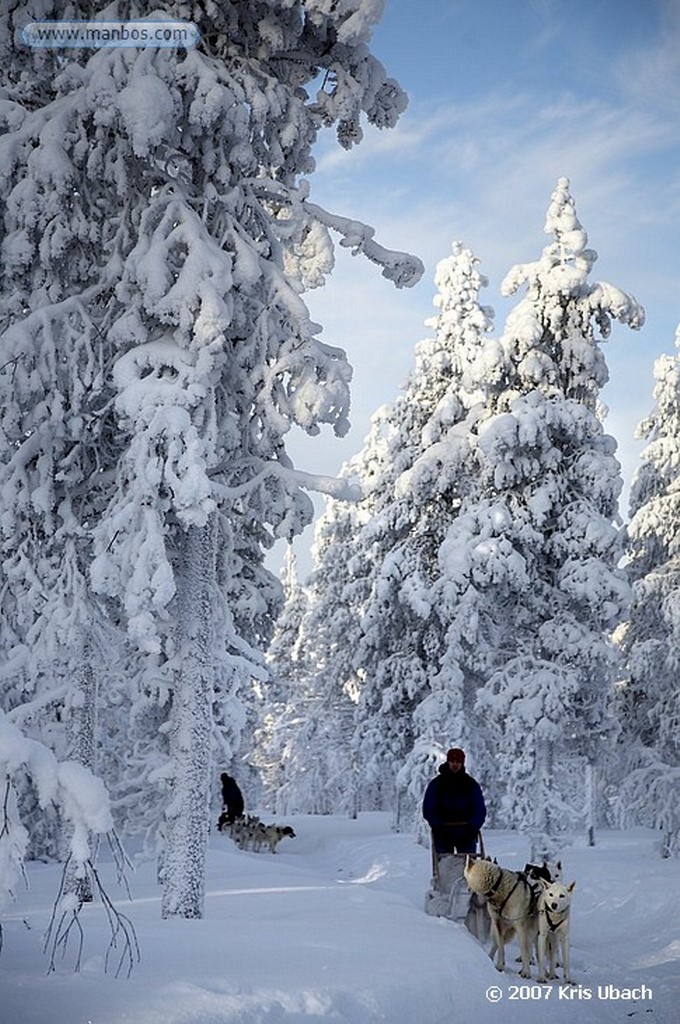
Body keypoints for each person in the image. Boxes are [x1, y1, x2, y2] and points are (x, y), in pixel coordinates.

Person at [422, 747, 486, 855]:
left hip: (466, 832)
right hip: (443, 832)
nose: (455, 764)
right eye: (452, 761)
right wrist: (438, 825)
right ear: (448, 762)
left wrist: (473, 826)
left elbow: (479, 809)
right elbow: (429, 808)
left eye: (458, 762)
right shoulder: (437, 784)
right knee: (445, 866)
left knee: (468, 866)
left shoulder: (470, 784)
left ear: (462, 763)